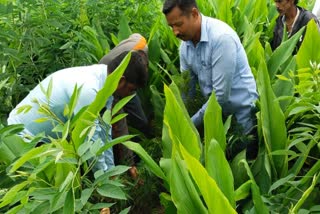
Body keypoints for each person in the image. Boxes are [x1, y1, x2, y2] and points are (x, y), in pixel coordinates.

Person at [7, 50, 149, 172]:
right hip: (22, 138)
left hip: (46, 140)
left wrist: (110, 171)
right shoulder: (89, 89)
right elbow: (91, 138)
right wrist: (105, 178)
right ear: (121, 81)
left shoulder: (104, 80)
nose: (130, 96)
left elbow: (104, 131)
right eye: (131, 90)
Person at [162, 0, 259, 159]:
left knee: (243, 168)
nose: (175, 32)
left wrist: (189, 124)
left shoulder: (221, 39)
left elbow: (220, 96)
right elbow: (188, 91)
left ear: (194, 14)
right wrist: (180, 120)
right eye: (171, 27)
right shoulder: (185, 48)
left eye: (178, 24)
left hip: (242, 122)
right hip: (217, 119)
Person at [99, 33, 152, 168]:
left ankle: (142, 151)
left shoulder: (141, 47)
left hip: (126, 78)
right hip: (115, 80)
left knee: (140, 121)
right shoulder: (109, 79)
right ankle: (128, 160)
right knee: (113, 123)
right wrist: (128, 163)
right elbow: (118, 122)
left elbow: (136, 36)